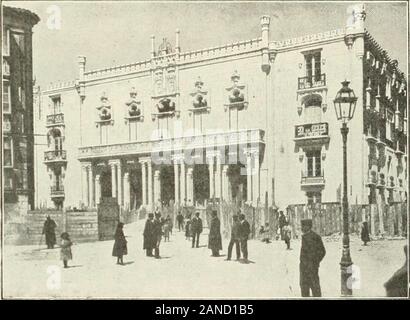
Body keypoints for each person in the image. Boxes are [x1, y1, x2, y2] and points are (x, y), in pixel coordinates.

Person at [299, 219, 326, 297]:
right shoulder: (304, 236)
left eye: (303, 226)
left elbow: (322, 251)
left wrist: (315, 261)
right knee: (304, 288)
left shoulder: (315, 237)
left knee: (315, 288)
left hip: (311, 267)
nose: (302, 228)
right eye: (302, 226)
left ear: (308, 226)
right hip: (304, 267)